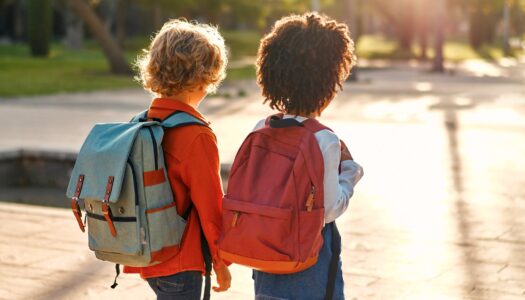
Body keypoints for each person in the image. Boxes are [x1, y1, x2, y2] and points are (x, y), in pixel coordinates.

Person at [251, 13, 363, 300]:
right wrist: (350, 172)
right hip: (307, 268)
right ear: (328, 82)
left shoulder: (261, 128)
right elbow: (327, 210)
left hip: (265, 263)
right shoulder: (322, 139)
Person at [123, 19, 231, 299]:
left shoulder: (141, 122)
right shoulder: (196, 135)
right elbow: (211, 208)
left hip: (148, 256)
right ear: (204, 77)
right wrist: (221, 261)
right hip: (182, 261)